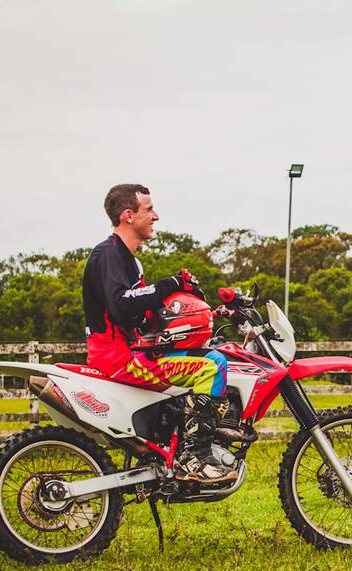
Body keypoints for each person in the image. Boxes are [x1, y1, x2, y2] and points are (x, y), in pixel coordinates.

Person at [82, 183, 237, 483]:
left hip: (131, 350)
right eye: (149, 209)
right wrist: (169, 285)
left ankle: (184, 443)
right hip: (119, 358)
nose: (156, 216)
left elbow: (143, 316)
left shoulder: (130, 259)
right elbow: (121, 306)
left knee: (214, 352)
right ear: (128, 215)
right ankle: (195, 458)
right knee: (212, 366)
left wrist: (203, 314)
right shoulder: (109, 255)